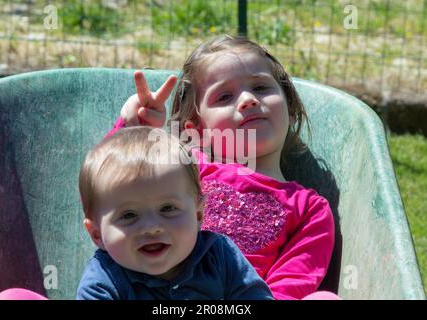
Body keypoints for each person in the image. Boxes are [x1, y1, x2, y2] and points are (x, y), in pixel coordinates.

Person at [107, 35, 338, 300]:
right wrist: (132, 127)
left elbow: (289, 285)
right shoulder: (185, 167)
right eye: (225, 96)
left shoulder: (309, 209)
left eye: (261, 87)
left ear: (291, 107)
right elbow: (109, 192)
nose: (248, 100)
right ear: (197, 130)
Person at [76, 126, 274, 300]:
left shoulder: (219, 255)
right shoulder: (103, 282)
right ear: (96, 234)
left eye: (168, 208)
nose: (152, 227)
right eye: (128, 215)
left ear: (198, 216)